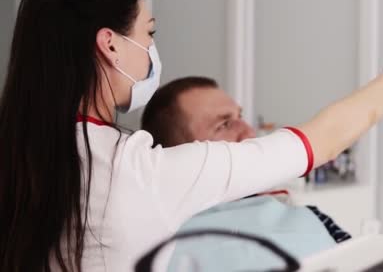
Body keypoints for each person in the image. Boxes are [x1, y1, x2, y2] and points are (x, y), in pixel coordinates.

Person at [0, 0, 383, 272]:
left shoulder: (24, 157)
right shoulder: (138, 173)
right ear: (111, 44)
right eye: (149, 32)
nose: (153, 49)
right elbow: (321, 140)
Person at [140, 76, 351, 243]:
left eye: (239, 117)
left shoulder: (306, 215)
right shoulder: (158, 249)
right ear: (180, 155)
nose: (249, 132)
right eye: (224, 125)